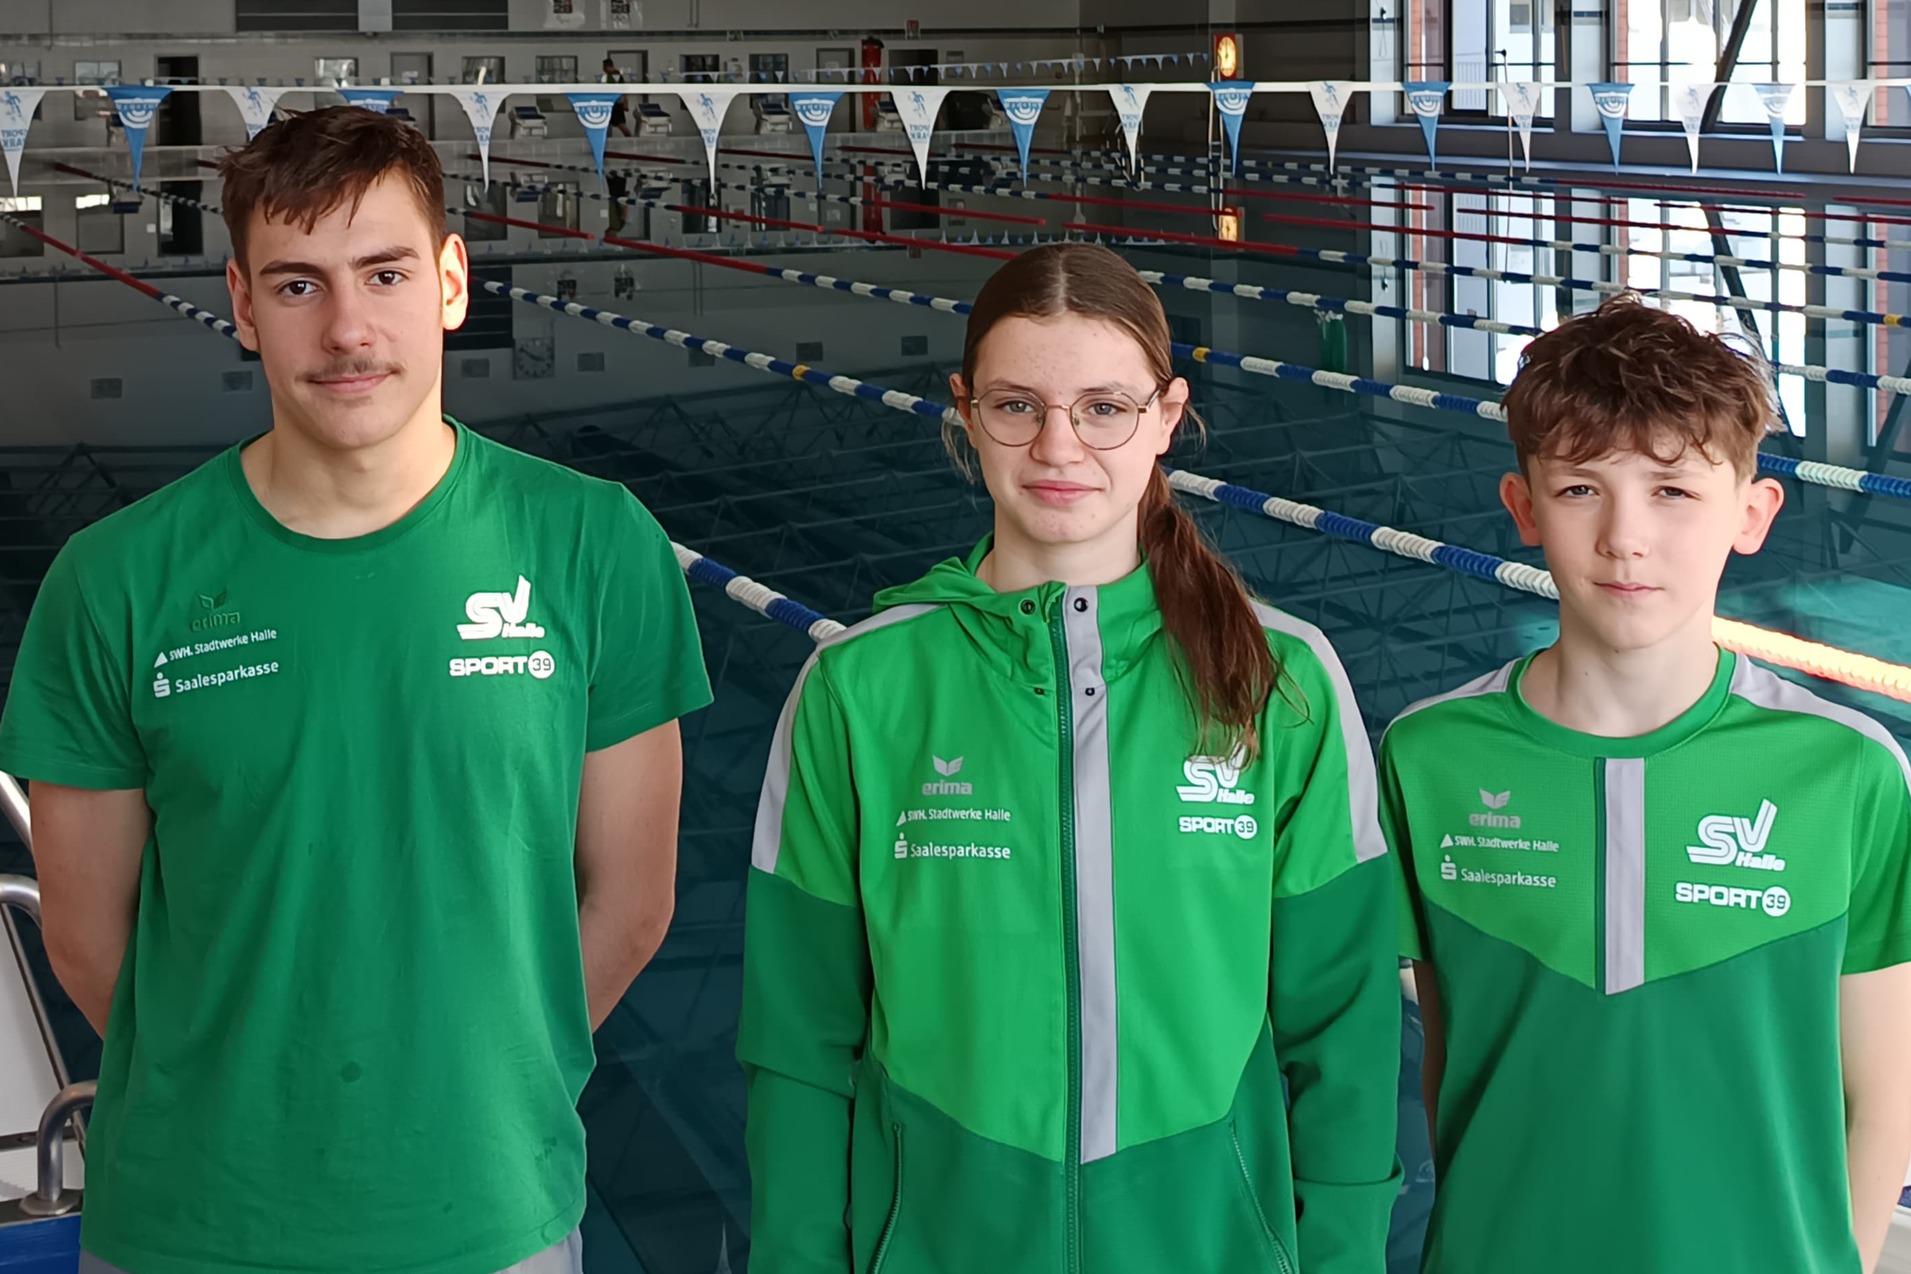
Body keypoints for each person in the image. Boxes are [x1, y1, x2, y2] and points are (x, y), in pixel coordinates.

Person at [0, 106, 710, 1273]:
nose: (347, 328)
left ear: (450, 281)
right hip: (192, 1222)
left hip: (488, 1217)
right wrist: (253, 1098)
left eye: (383, 273)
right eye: (296, 286)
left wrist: (476, 1091)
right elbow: (84, 936)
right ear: (239, 303)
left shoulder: (593, 545)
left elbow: (631, 904)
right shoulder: (118, 579)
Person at [738, 242, 1401, 1273]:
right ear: (965, 411)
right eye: (1017, 405)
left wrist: (1345, 1255)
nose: (1059, 446)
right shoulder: (860, 689)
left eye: (1104, 407)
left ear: (1167, 415)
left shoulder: (1283, 679)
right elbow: (798, 1035)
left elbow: (1342, 1023)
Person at [1381, 295, 1911, 1274]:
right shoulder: (1427, 757)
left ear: (1752, 514)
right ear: (1525, 507)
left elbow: (1883, 1092)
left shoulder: (1848, 771)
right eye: (1583, 488)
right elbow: (1450, 1061)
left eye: (1673, 491)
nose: (1627, 537)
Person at [602, 57, 632, 138]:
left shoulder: (616, 74)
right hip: (611, 103)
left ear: (607, 66)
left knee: (621, 125)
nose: (603, 69)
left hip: (616, 103)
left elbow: (623, 89)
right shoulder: (607, 76)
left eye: (604, 67)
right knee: (607, 124)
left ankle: (631, 140)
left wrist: (625, 103)